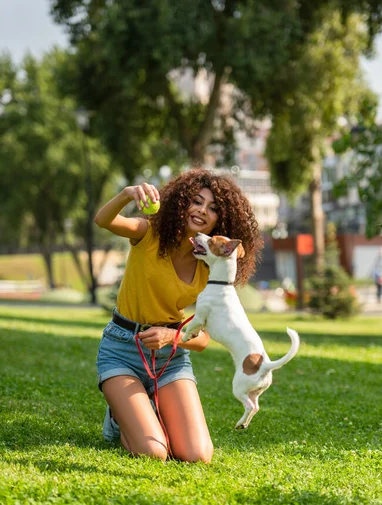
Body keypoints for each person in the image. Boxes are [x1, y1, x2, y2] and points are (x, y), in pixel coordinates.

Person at [94, 168, 262, 462]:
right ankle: (120, 418)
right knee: (154, 451)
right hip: (122, 349)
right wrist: (127, 194)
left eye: (212, 209)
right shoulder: (150, 232)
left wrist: (171, 336)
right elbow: (104, 220)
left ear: (219, 221)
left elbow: (203, 339)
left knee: (197, 455)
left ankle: (144, 412)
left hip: (170, 359)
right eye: (196, 201)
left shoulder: (210, 266)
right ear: (182, 202)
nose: (201, 211)